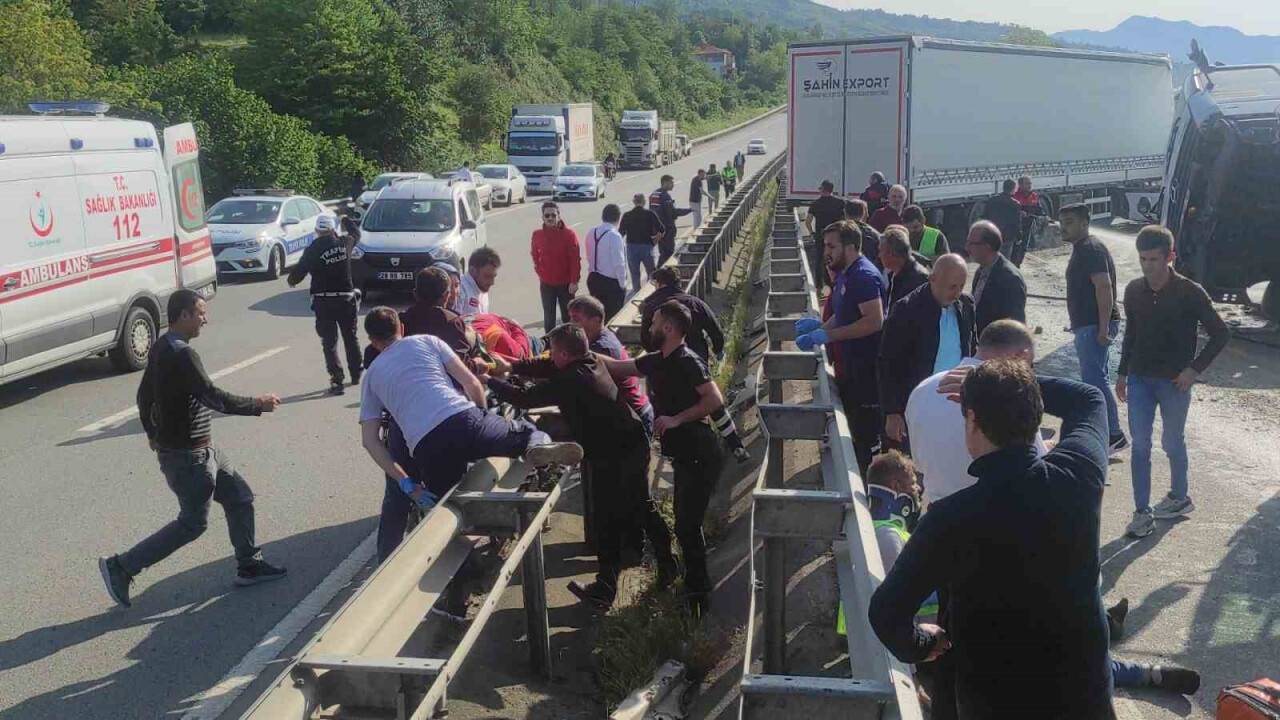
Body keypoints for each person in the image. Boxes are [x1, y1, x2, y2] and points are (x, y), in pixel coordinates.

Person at [869, 359, 1114, 718]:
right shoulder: (1078, 476)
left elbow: (886, 613)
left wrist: (923, 644)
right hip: (1082, 695)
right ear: (1035, 414)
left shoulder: (950, 519)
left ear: (971, 421)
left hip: (995, 702)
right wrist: (1019, 388)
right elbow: (1090, 399)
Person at [99, 290, 285, 607]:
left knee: (240, 497)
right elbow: (212, 396)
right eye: (200, 313)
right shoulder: (181, 353)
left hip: (202, 450)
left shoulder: (162, 346)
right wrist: (258, 405)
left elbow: (143, 397)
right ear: (183, 315)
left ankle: (250, 565)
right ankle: (122, 566)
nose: (205, 318)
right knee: (192, 524)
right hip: (189, 458)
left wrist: (151, 433)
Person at [489, 324, 676, 608]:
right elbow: (545, 366)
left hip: (616, 453)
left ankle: (616, 584)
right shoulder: (591, 360)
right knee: (633, 510)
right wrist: (509, 368)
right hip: (626, 443)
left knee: (615, 517)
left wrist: (487, 379)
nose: (552, 357)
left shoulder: (571, 379)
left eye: (554, 352)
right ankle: (656, 566)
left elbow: (524, 398)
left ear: (565, 353)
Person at [358, 307, 583, 514]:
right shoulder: (426, 341)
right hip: (463, 419)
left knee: (448, 507)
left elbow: (370, 440)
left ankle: (456, 544)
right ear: (402, 328)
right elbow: (472, 384)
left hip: (427, 446)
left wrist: (405, 482)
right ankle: (538, 446)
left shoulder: (370, 377)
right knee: (525, 432)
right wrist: (483, 418)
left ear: (372, 341)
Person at [598, 301, 728, 614]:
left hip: (700, 454)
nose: (649, 327)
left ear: (668, 328)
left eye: (653, 322)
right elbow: (620, 367)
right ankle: (693, 589)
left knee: (686, 526)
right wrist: (581, 353)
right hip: (686, 456)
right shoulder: (659, 359)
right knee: (686, 525)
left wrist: (677, 419)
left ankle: (698, 598)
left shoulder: (687, 361)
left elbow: (714, 399)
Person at [1117, 225, 1229, 538]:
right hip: (1140, 379)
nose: (1147, 266)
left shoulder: (1191, 292)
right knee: (1140, 446)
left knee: (1172, 441)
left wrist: (1194, 370)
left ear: (1171, 257)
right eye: (1142, 259)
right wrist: (1122, 374)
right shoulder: (1134, 291)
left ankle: (1179, 497)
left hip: (1174, 383)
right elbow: (1131, 335)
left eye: (1154, 259)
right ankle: (1142, 513)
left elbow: (1221, 334)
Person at [793, 221, 886, 475]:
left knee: (864, 440)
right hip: (850, 369)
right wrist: (821, 328)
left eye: (832, 246)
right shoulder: (846, 274)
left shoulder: (864, 277)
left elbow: (874, 321)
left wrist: (829, 335)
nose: (827, 252)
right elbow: (845, 315)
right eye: (825, 246)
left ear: (851, 247)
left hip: (865, 375)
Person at [878, 254, 974, 449]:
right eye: (951, 286)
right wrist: (892, 412)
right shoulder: (907, 310)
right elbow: (887, 363)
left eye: (961, 286)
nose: (957, 293)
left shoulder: (966, 306)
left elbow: (972, 348)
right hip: (917, 406)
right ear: (933, 279)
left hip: (954, 406)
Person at [1061, 202, 1127, 454]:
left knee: (1095, 382)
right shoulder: (1083, 248)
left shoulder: (1090, 248)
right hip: (1087, 324)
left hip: (1095, 325)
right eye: (1062, 223)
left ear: (1085, 223)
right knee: (1095, 379)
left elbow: (1104, 287)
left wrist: (1102, 327)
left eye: (1070, 222)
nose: (1064, 228)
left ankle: (1113, 435)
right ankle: (1108, 432)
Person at [284, 215, 362, 395]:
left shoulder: (312, 249)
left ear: (317, 231)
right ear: (333, 229)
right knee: (350, 337)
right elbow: (356, 233)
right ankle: (356, 373)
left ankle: (337, 380)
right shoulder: (345, 242)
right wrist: (346, 220)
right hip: (346, 299)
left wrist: (292, 280)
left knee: (329, 342)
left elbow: (298, 273)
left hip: (323, 301)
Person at [568, 296, 653, 436]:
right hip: (625, 415)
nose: (571, 324)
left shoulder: (602, 348)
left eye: (576, 319)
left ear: (596, 320)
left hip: (633, 418)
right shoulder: (597, 338)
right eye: (570, 318)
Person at [640, 267, 724, 363]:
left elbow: (645, 339)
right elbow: (714, 328)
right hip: (695, 359)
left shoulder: (651, 307)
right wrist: (718, 349)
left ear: (660, 284)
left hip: (664, 363)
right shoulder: (695, 303)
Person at [965, 221, 1026, 335]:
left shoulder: (1010, 279)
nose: (966, 248)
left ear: (987, 247)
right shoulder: (981, 270)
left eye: (971, 243)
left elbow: (1016, 327)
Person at [531, 201, 581, 332]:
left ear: (559, 215)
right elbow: (535, 256)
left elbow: (575, 260)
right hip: (547, 284)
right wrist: (540, 273)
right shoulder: (537, 235)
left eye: (553, 215)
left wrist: (574, 281)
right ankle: (550, 346)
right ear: (542, 217)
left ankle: (571, 345)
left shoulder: (569, 235)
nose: (550, 218)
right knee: (549, 317)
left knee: (568, 317)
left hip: (566, 284)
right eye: (547, 216)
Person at [585, 204, 629, 319]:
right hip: (610, 284)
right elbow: (619, 263)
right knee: (612, 318)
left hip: (593, 279)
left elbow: (589, 254)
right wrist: (623, 284)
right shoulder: (614, 235)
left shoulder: (591, 232)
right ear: (618, 218)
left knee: (596, 316)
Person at [806, 180, 847, 293]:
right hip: (837, 236)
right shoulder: (840, 203)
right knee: (837, 259)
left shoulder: (815, 204)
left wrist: (812, 233)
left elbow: (808, 222)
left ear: (822, 190)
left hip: (821, 236)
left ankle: (819, 287)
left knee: (820, 261)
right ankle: (835, 285)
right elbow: (845, 220)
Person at [620, 193, 664, 292]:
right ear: (644, 202)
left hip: (631, 247)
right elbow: (662, 230)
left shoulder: (627, 215)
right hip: (647, 246)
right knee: (651, 273)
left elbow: (620, 234)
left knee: (635, 274)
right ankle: (650, 293)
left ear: (634, 202)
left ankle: (636, 293)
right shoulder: (650, 214)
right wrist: (655, 241)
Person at [880, 225, 929, 310]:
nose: (879, 255)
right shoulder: (894, 274)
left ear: (892, 253)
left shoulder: (919, 280)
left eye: (881, 251)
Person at [649, 175, 692, 266]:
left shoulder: (654, 194)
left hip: (657, 229)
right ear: (665, 183)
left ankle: (658, 274)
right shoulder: (665, 196)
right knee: (668, 254)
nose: (673, 185)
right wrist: (689, 210)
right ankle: (659, 274)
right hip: (667, 229)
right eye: (671, 183)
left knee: (663, 252)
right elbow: (673, 212)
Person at [982, 179, 1024, 266]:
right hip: (1007, 236)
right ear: (1014, 189)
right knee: (1004, 260)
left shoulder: (992, 200)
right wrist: (1019, 236)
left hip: (993, 233)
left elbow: (985, 216)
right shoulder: (1015, 204)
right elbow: (1017, 223)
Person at [456, 247, 500, 317]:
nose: (492, 282)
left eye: (493, 277)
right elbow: (453, 324)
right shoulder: (459, 289)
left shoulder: (483, 290)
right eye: (487, 276)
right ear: (473, 270)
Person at [843, 198, 882, 271]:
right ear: (863, 213)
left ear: (845, 213)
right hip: (869, 273)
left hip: (844, 275)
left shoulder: (837, 232)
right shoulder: (874, 234)